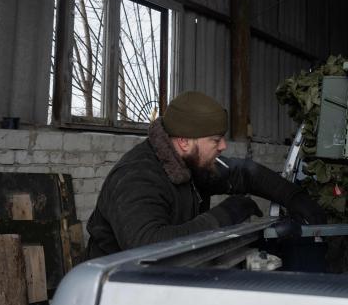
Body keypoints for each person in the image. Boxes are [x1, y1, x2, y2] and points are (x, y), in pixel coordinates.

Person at [85, 91, 326, 259]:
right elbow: (148, 244)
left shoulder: (192, 163)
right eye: (215, 140)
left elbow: (245, 173)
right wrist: (224, 215)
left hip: (162, 279)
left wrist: (295, 198)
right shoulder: (137, 178)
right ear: (184, 142)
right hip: (116, 295)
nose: (223, 146)